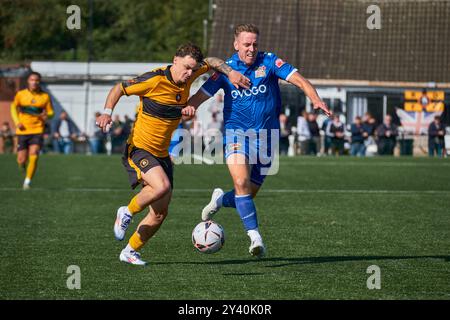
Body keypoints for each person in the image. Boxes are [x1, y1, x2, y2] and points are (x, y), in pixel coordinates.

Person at [182, 24, 331, 257]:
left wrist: (316, 100)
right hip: (236, 135)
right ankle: (255, 237)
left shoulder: (269, 62)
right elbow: (200, 96)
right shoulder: (226, 70)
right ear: (236, 44)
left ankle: (221, 199)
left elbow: (300, 80)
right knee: (241, 183)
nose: (251, 49)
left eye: (255, 44)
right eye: (246, 44)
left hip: (267, 138)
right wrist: (189, 108)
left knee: (247, 194)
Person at [95, 43, 250, 266]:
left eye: (193, 70)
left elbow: (214, 61)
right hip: (139, 148)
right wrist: (107, 113)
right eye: (186, 68)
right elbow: (119, 88)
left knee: (159, 213)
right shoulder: (153, 79)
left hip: (162, 155)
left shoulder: (192, 71)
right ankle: (126, 211)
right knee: (161, 187)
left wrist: (230, 72)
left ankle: (130, 251)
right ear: (175, 60)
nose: (189, 74)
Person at [10, 71, 54, 189]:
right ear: (28, 81)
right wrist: (17, 122)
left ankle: (27, 182)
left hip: (37, 130)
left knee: (34, 153)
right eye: (32, 80)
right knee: (21, 159)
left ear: (39, 82)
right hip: (23, 131)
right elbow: (13, 107)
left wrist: (47, 116)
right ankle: (23, 165)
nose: (34, 82)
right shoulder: (20, 94)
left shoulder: (45, 96)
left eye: (36, 80)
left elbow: (51, 112)